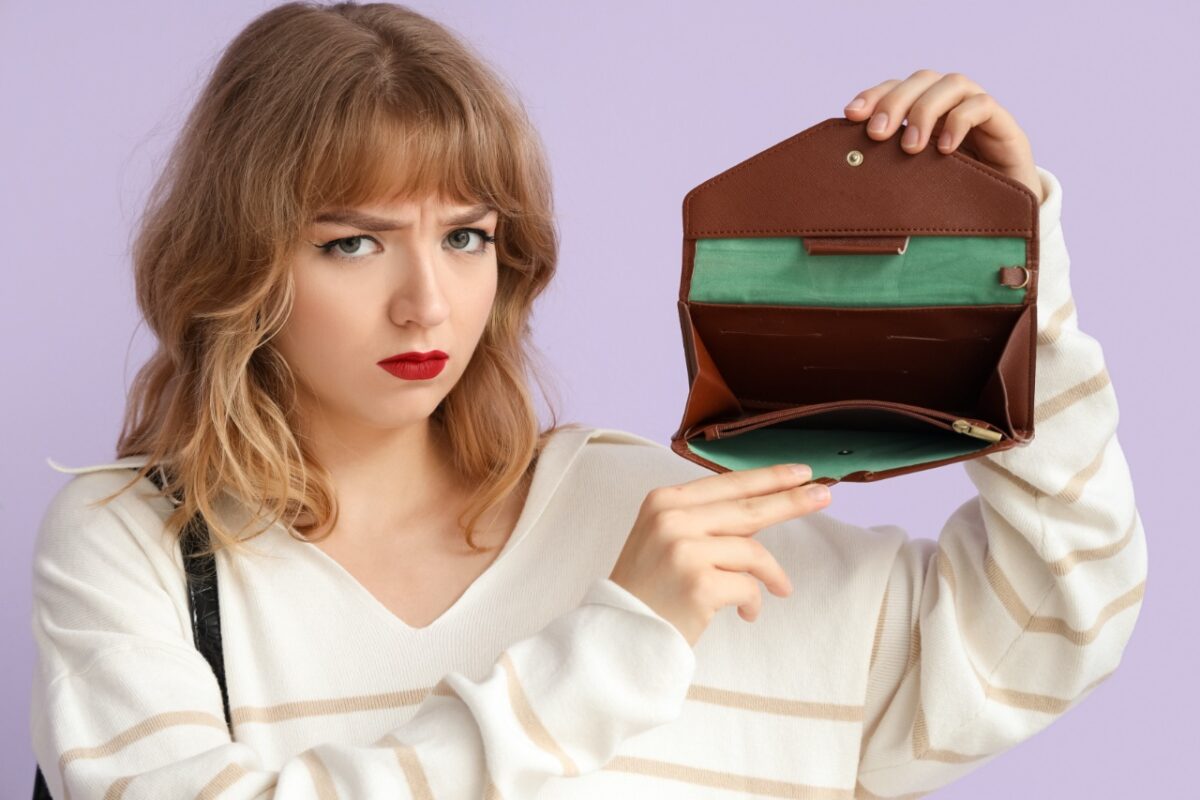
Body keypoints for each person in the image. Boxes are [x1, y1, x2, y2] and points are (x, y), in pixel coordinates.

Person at [29, 2, 1147, 798]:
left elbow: (1057, 615)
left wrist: (1004, 272)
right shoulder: (141, 544)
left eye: (466, 235)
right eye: (354, 241)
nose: (426, 304)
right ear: (244, 261)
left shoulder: (661, 517)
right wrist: (617, 643)